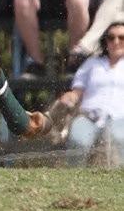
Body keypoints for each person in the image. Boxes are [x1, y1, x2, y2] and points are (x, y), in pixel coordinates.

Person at [49, 19, 124, 163]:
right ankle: (74, 175)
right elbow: (77, 92)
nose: (116, 42)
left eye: (122, 38)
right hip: (89, 116)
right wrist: (69, 97)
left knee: (117, 137)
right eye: (111, 37)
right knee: (79, 139)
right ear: (105, 41)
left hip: (120, 118)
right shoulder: (92, 63)